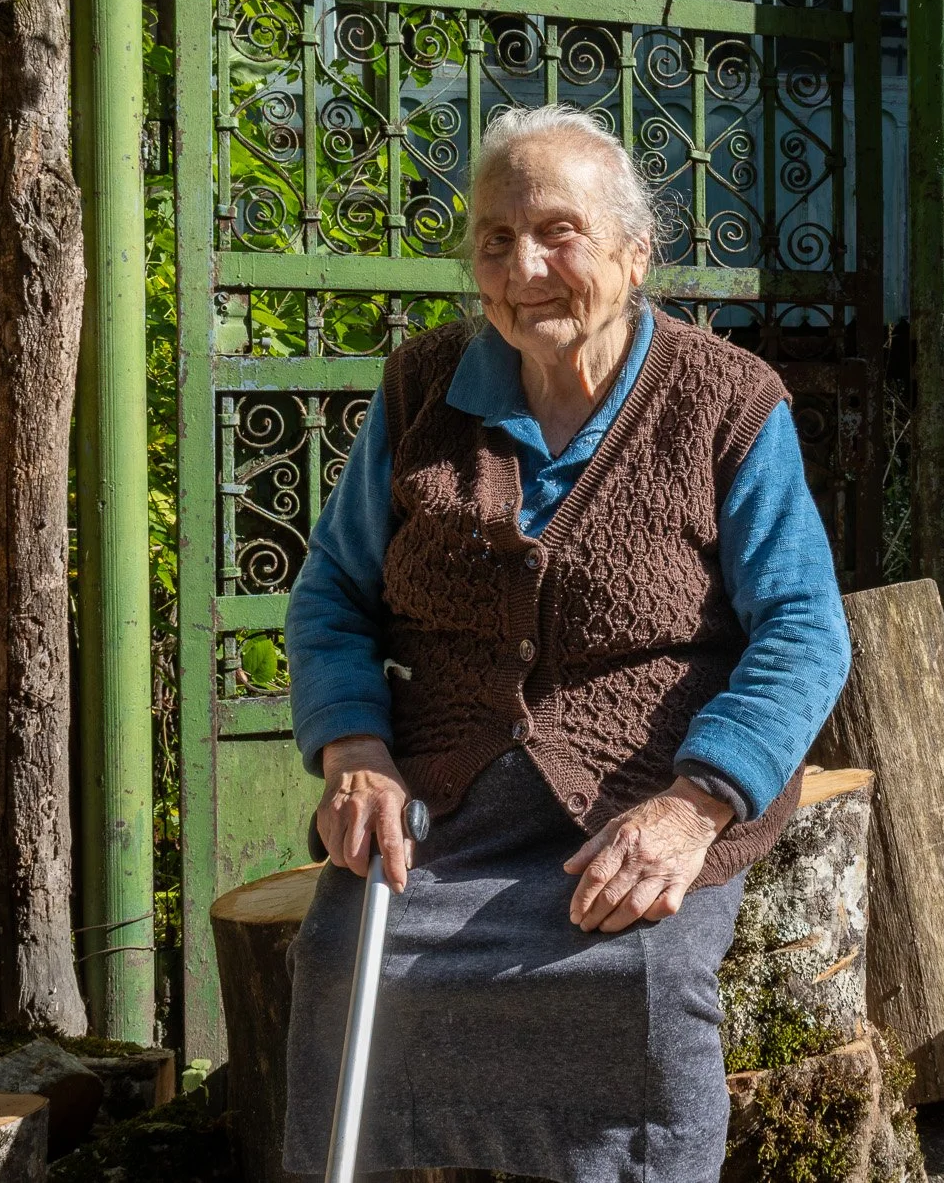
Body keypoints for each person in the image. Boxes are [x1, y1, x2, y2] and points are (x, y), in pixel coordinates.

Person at [282, 103, 851, 1182]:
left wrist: (695, 807)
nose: (522, 265)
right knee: (343, 961)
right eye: (495, 238)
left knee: (642, 974)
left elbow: (803, 631)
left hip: (640, 798)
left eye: (557, 232)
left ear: (634, 254)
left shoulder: (725, 401)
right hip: (440, 799)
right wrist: (352, 750)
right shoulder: (422, 387)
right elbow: (331, 598)